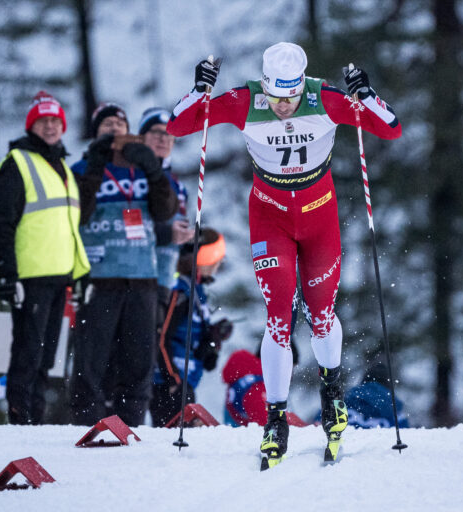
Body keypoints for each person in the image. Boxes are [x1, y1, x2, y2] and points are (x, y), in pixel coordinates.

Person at [167, 42, 402, 465]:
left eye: (291, 98)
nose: (282, 106)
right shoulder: (245, 101)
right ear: (265, 86)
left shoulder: (325, 99)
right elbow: (179, 125)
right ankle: (276, 418)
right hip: (270, 218)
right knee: (278, 315)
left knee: (321, 314)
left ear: (303, 87)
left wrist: (366, 95)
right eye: (275, 97)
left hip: (319, 220)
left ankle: (332, 393)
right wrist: (199, 90)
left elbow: (390, 128)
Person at [69, 102, 179, 427]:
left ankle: (128, 427)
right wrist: (95, 164)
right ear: (95, 132)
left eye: (120, 122)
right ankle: (85, 426)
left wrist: (154, 171)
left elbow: (165, 212)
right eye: (107, 123)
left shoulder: (143, 168)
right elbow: (79, 214)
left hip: (142, 278)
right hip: (99, 278)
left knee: (138, 363)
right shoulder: (81, 168)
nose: (115, 127)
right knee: (91, 364)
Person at [0, 90, 90, 424]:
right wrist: (6, 273)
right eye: (43, 120)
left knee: (47, 358)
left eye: (55, 120)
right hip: (29, 277)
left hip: (60, 277)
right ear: (32, 125)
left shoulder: (61, 166)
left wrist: (79, 273)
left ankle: (36, 424)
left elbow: (69, 226)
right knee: (28, 354)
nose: (50, 126)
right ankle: (20, 423)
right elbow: (0, 223)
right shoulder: (18, 162)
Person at [150, 228, 232, 427]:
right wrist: (173, 379)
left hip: (184, 381)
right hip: (170, 383)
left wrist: (212, 339)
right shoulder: (180, 290)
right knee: (172, 441)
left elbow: (189, 334)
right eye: (215, 258)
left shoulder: (196, 291)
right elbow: (161, 337)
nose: (218, 264)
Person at [137, 107, 195, 374]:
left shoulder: (177, 185)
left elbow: (179, 230)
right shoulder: (133, 176)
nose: (163, 139)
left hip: (166, 280)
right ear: (142, 137)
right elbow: (128, 224)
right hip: (135, 277)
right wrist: (166, 235)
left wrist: (189, 241)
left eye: (169, 135)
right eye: (156, 133)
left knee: (154, 353)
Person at [339, 362, 409, 429]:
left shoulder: (347, 401)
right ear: (389, 384)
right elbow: (405, 437)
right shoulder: (397, 414)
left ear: (364, 380)